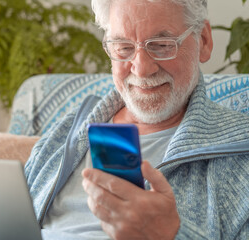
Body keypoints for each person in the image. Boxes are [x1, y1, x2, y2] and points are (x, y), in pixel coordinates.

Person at [24, 0, 249, 239]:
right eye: (123, 47)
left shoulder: (240, 155)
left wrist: (171, 234)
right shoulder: (68, 130)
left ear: (203, 41)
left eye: (162, 45)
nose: (141, 69)